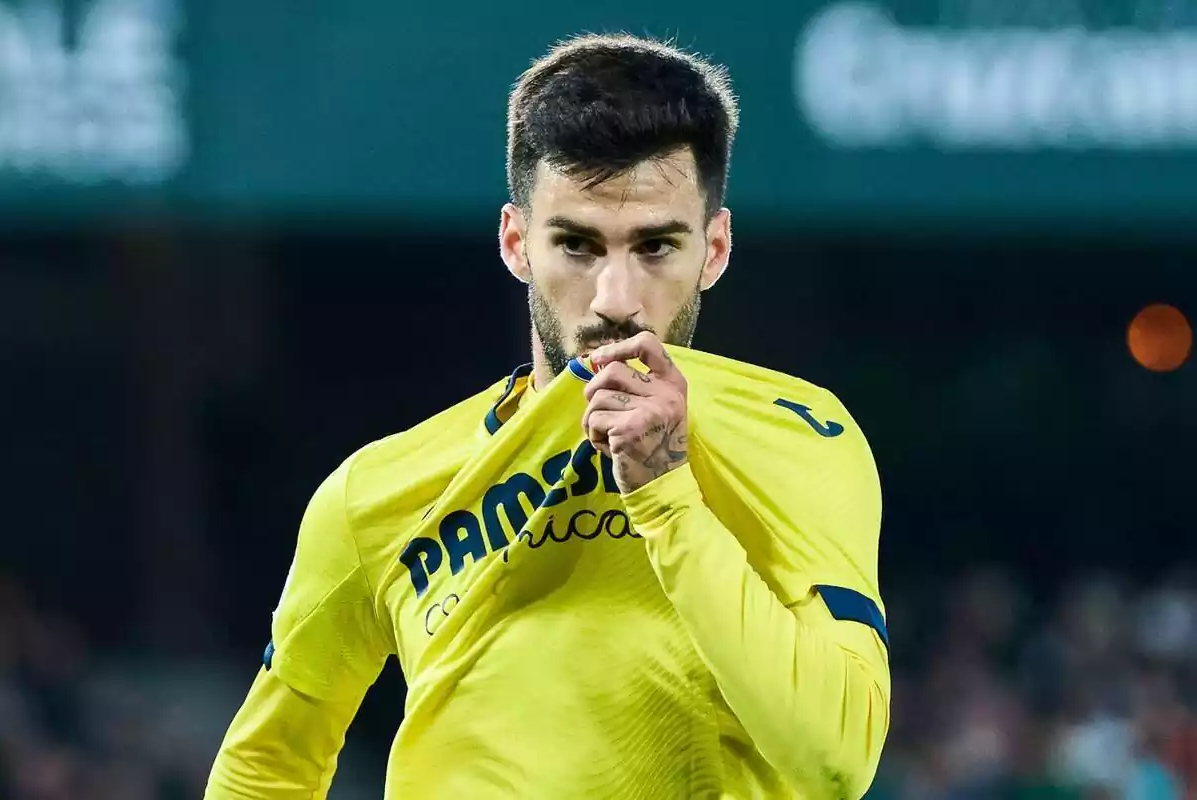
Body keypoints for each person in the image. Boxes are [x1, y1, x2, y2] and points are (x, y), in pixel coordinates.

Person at [205, 33, 890, 799]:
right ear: (515, 242)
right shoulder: (375, 497)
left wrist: (667, 493)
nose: (616, 299)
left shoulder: (798, 433)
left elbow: (837, 758)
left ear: (716, 248)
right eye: (577, 245)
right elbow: (268, 763)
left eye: (657, 246)